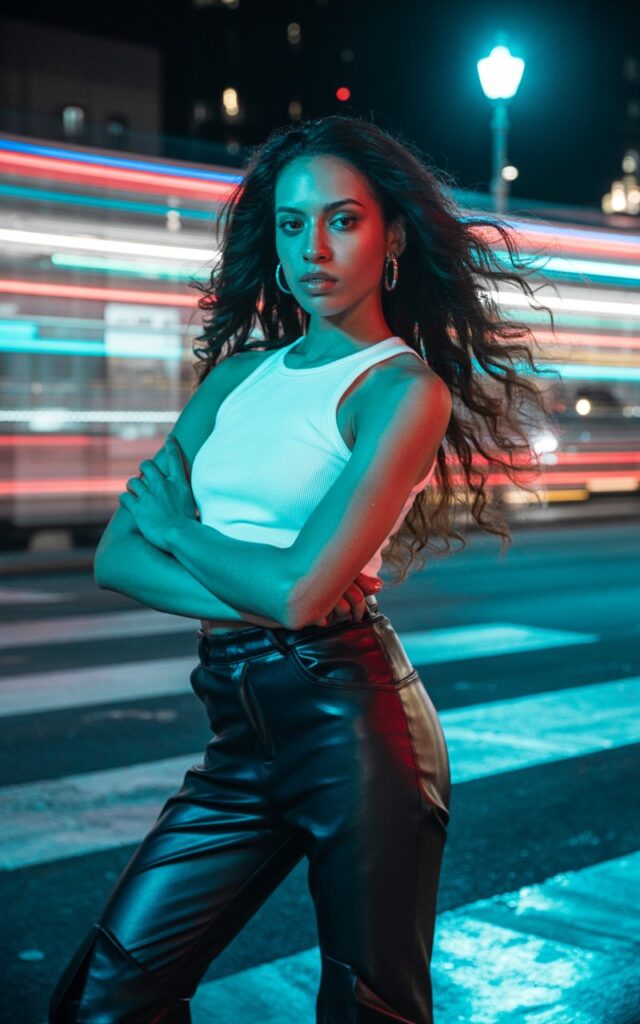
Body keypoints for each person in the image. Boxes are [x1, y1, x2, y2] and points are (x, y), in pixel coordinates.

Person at [49, 114, 557, 1023]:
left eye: (342, 220)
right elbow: (121, 557)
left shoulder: (403, 391)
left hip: (355, 735)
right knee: (105, 997)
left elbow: (288, 588)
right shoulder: (237, 377)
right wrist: (269, 591)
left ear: (392, 235)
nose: (313, 247)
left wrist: (193, 534)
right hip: (239, 743)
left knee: (369, 1012)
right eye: (291, 223)